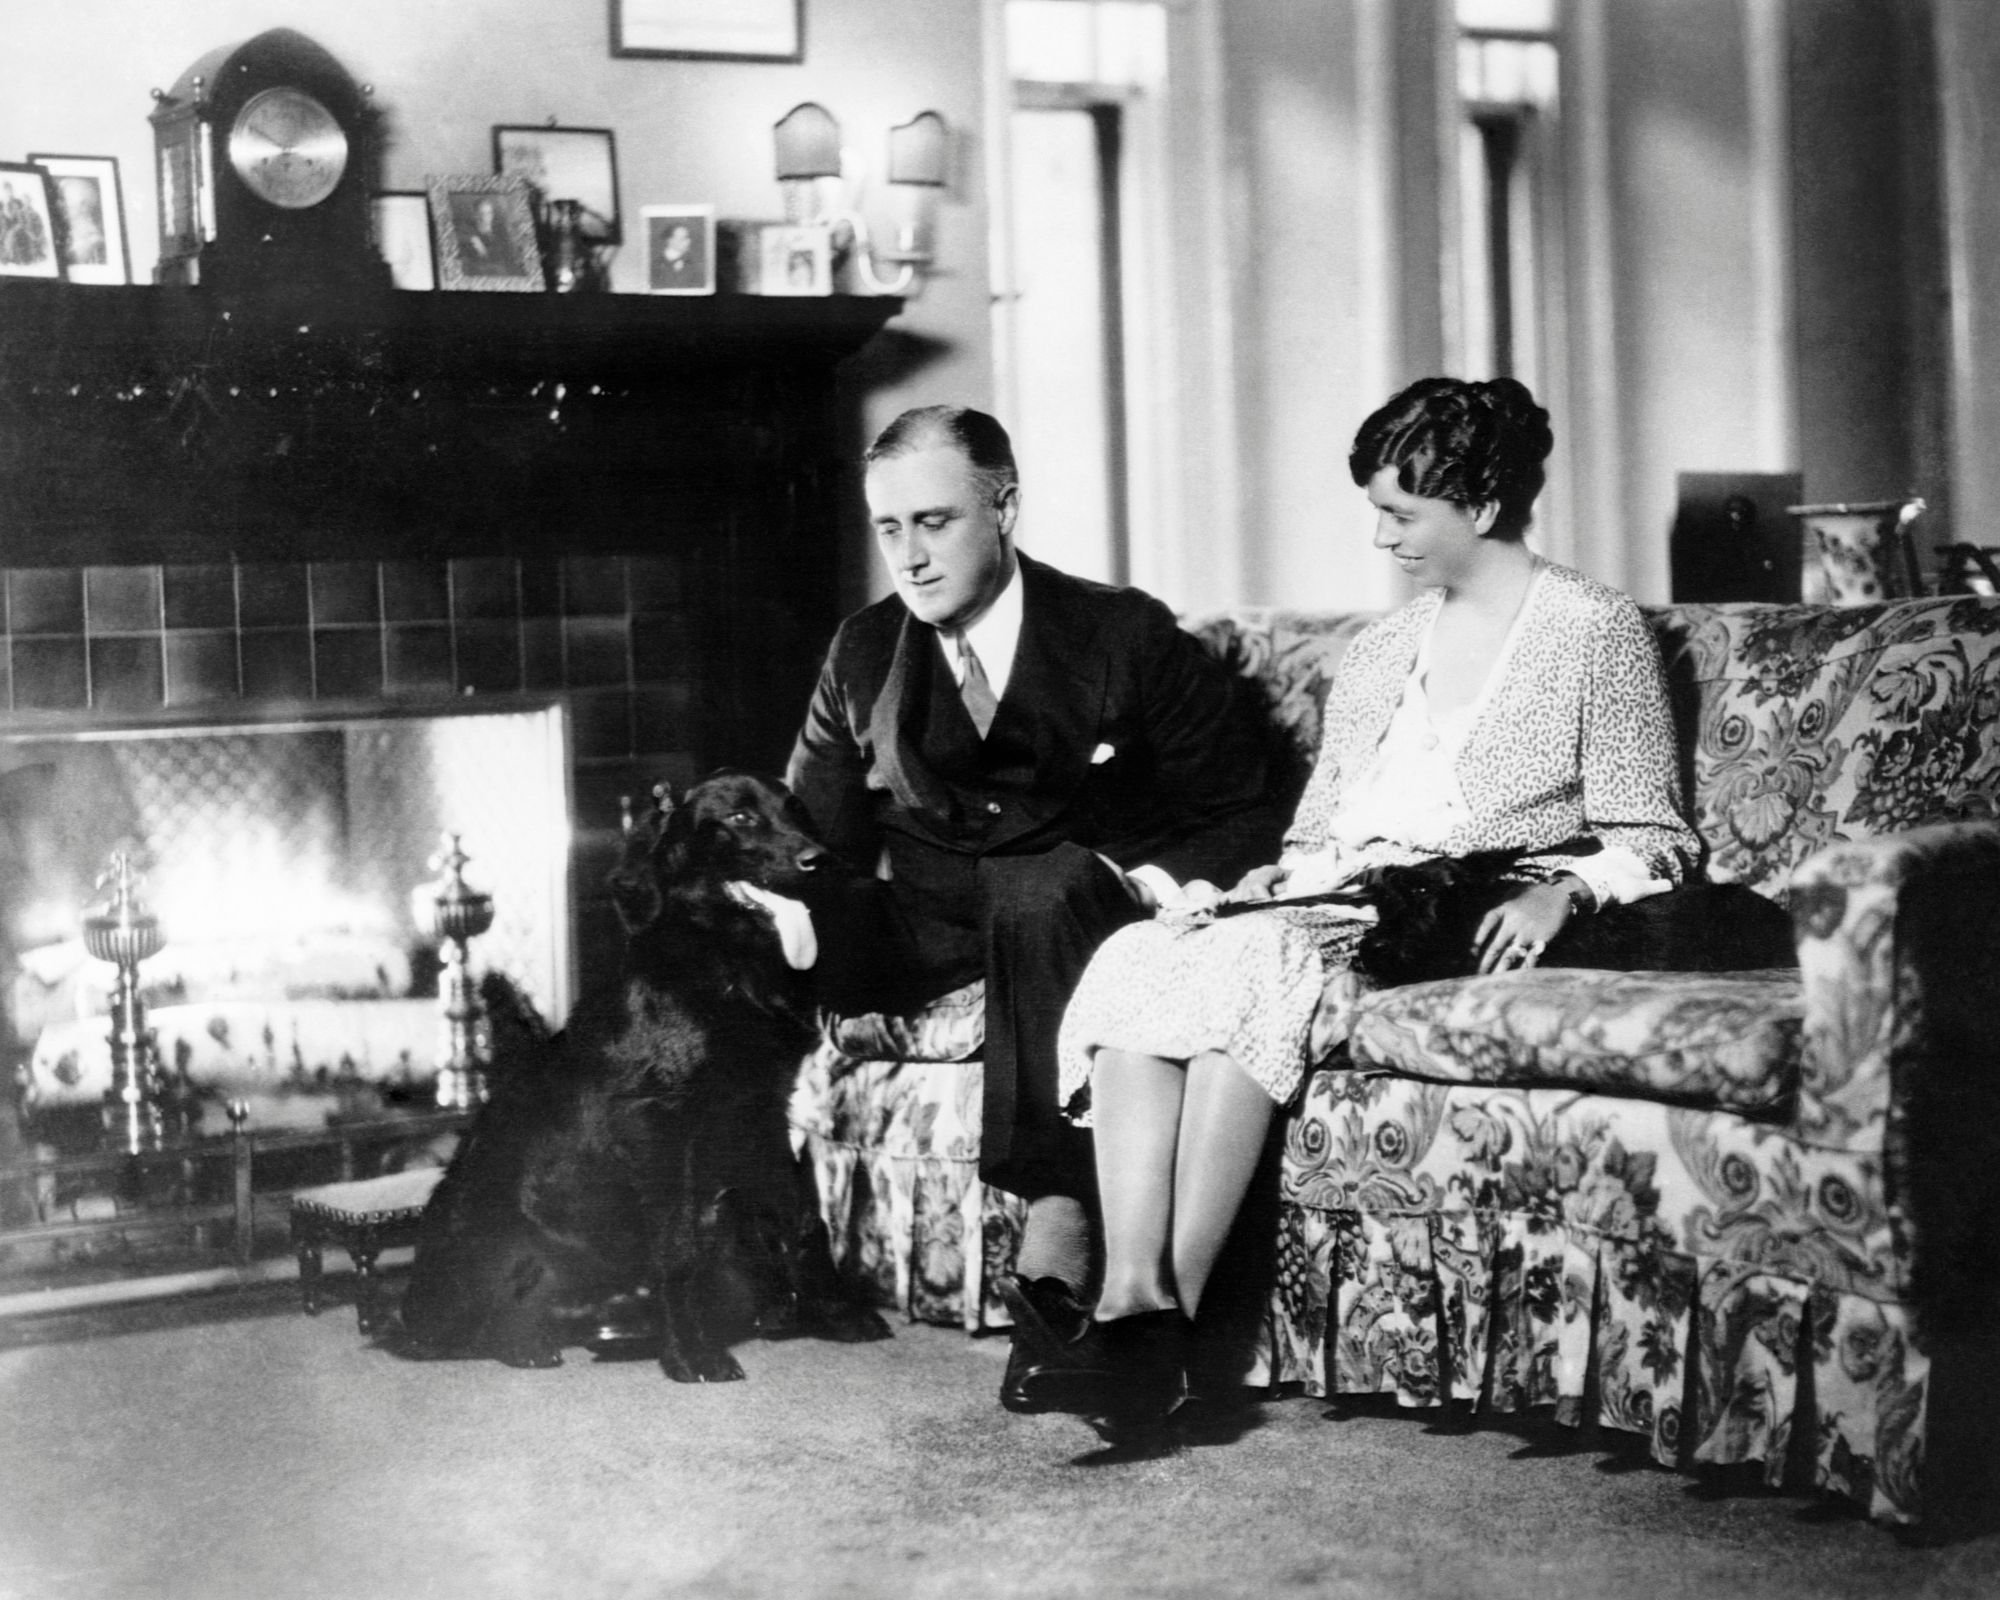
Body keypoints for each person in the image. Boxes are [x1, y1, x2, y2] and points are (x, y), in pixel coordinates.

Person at [1038, 376, 1701, 1423]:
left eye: (1401, 514)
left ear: (1479, 506)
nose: (1381, 538)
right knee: (1145, 953)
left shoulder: (1591, 629)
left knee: (1247, 974)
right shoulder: (1381, 649)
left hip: (1443, 905)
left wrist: (1562, 893)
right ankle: (1132, 1307)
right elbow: (1317, 830)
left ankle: (1167, 1330)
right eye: (1374, 512)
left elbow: (1654, 834)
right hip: (1328, 900)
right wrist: (1274, 875)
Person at [787, 405, 1284, 1413]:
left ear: (1003, 505)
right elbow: (815, 843)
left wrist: (1140, 880)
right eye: (889, 530)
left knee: (1040, 881)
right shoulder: (860, 650)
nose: (910, 558)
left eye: (933, 522)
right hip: (927, 924)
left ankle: (1059, 1225)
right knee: (719, 916)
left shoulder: (1119, 632)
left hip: (1084, 913)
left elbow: (1242, 810)